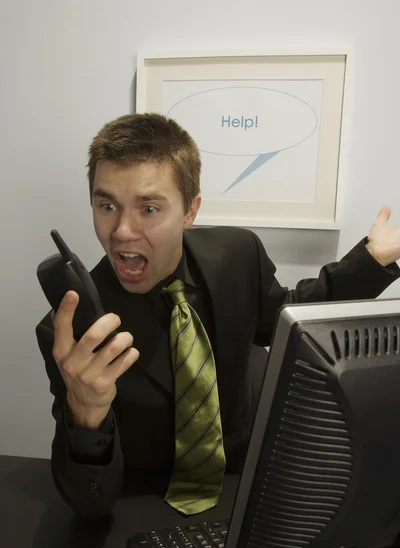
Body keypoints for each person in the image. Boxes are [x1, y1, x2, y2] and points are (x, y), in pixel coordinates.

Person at [36, 113, 400, 520]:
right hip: (147, 499)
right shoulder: (71, 335)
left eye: (149, 207)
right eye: (107, 205)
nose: (122, 230)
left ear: (190, 212)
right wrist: (85, 412)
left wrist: (370, 261)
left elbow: (287, 322)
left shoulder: (237, 255)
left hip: (246, 475)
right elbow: (88, 501)